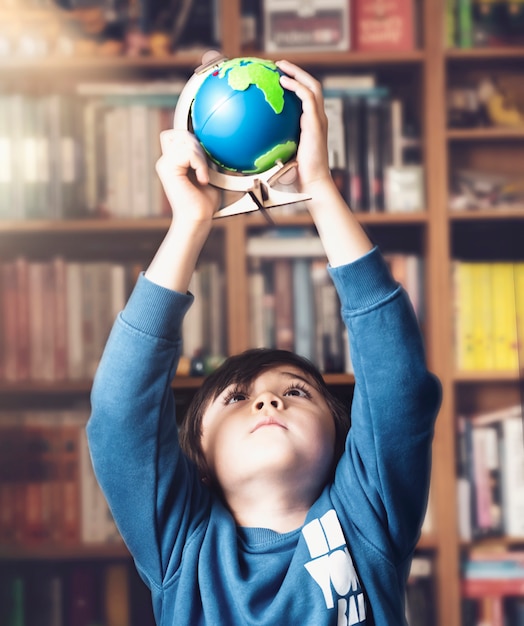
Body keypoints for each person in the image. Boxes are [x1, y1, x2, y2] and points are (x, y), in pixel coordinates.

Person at [87, 57, 442, 626]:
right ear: (196, 455)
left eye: (298, 392)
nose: (269, 401)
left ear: (342, 440)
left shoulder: (364, 516)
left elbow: (397, 384)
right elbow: (118, 414)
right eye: (235, 398)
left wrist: (319, 190)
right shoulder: (181, 544)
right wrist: (189, 224)